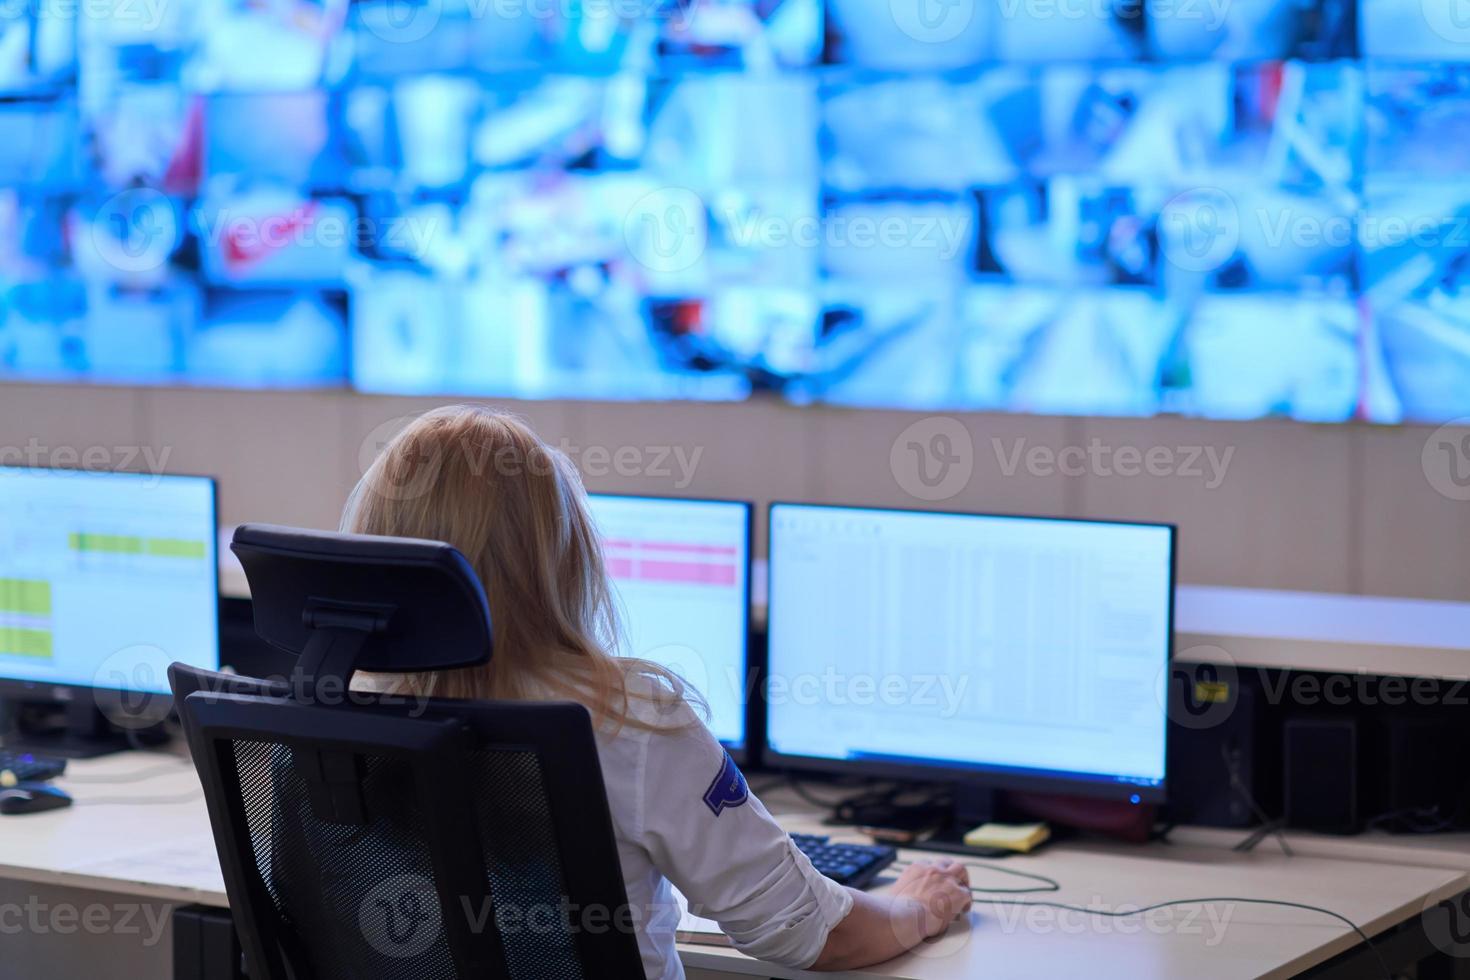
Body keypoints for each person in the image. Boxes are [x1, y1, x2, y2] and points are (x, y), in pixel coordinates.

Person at [345, 404, 972, 978]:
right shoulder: (626, 719)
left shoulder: (332, 712)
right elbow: (810, 933)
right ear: (558, 552)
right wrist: (916, 907)